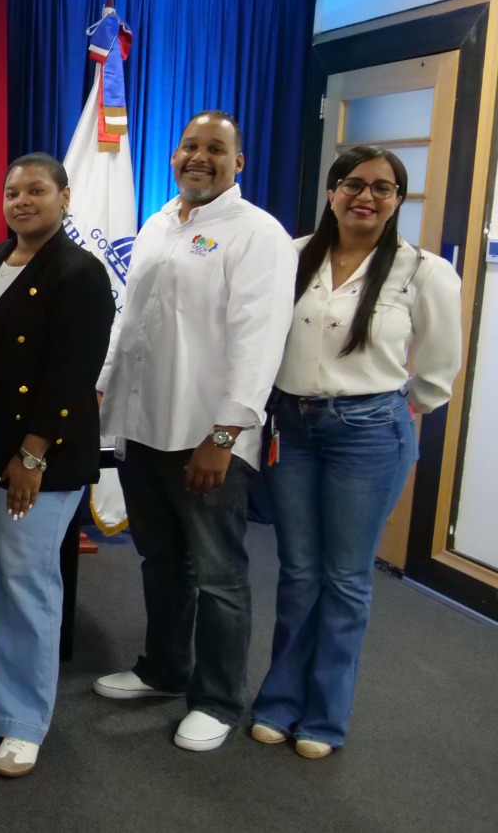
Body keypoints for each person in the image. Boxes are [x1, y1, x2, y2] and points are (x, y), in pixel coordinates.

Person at [93, 111, 298, 752]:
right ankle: (164, 669)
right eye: (189, 146)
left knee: (219, 575)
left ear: (238, 162)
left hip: (207, 437)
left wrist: (225, 435)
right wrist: (103, 385)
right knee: (162, 561)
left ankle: (217, 699)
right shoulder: (159, 223)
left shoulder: (257, 234)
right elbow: (130, 321)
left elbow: (259, 341)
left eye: (215, 148)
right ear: (174, 155)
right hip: (144, 426)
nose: (199, 157)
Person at [249, 146, 461, 759]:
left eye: (382, 188)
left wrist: (399, 407)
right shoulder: (291, 255)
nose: (365, 196)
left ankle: (323, 717)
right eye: (352, 183)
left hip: (368, 433)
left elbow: (439, 365)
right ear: (332, 191)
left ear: (397, 200)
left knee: (344, 579)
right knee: (298, 572)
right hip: (292, 428)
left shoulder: (421, 271)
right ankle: (279, 702)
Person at [0, 154, 114, 777]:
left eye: (36, 191)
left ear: (64, 196)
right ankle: (7, 697)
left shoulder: (80, 272)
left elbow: (72, 376)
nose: (22, 201)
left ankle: (23, 722)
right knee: (2, 573)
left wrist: (32, 455)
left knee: (27, 579)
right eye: (12, 192)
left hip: (38, 451)